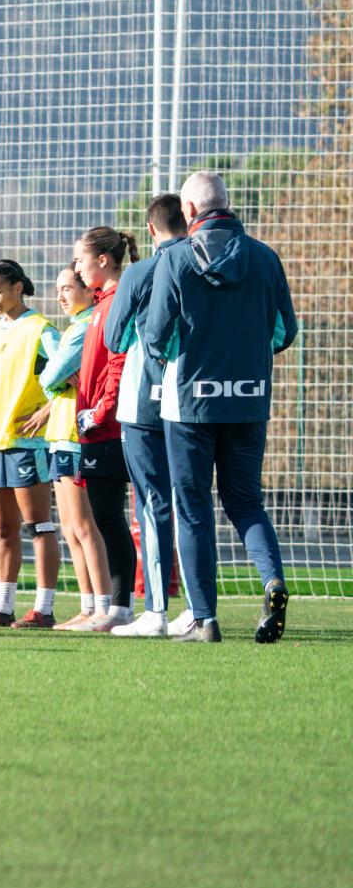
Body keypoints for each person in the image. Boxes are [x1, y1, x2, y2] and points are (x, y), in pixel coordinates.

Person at [141, 170, 296, 644]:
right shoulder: (265, 257)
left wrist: (180, 359)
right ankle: (272, 580)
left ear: (189, 210)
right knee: (246, 502)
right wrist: (246, 356)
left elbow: (156, 335)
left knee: (193, 509)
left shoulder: (176, 258)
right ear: (226, 203)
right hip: (249, 400)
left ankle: (204, 619)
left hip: (190, 406)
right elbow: (285, 331)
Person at [105, 195, 190, 638]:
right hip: (193, 400)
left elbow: (115, 339)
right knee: (191, 504)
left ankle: (155, 611)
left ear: (152, 229)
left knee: (152, 504)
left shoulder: (139, 273)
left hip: (143, 403)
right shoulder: (201, 266)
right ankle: (197, 608)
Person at [0, 259, 61, 628]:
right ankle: (3, 609)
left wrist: (47, 411)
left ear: (17, 288)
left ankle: (44, 610)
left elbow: (75, 373)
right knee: (4, 529)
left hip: (27, 444)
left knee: (38, 526)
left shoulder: (41, 329)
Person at [41, 264, 114, 631]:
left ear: (88, 290)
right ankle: (87, 607)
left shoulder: (87, 326)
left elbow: (49, 375)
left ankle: (104, 607)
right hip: (59, 435)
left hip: (75, 435)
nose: (60, 295)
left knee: (85, 526)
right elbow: (54, 378)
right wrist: (57, 380)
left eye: (68, 287)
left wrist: (57, 379)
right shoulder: (74, 327)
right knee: (69, 527)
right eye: (58, 289)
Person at [71, 226, 136, 626]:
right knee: (106, 518)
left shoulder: (114, 305)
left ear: (103, 260)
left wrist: (100, 411)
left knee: (109, 518)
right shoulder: (101, 305)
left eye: (80, 260)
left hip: (107, 430)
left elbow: (119, 364)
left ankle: (121, 608)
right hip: (96, 428)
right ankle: (118, 607)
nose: (76, 268)